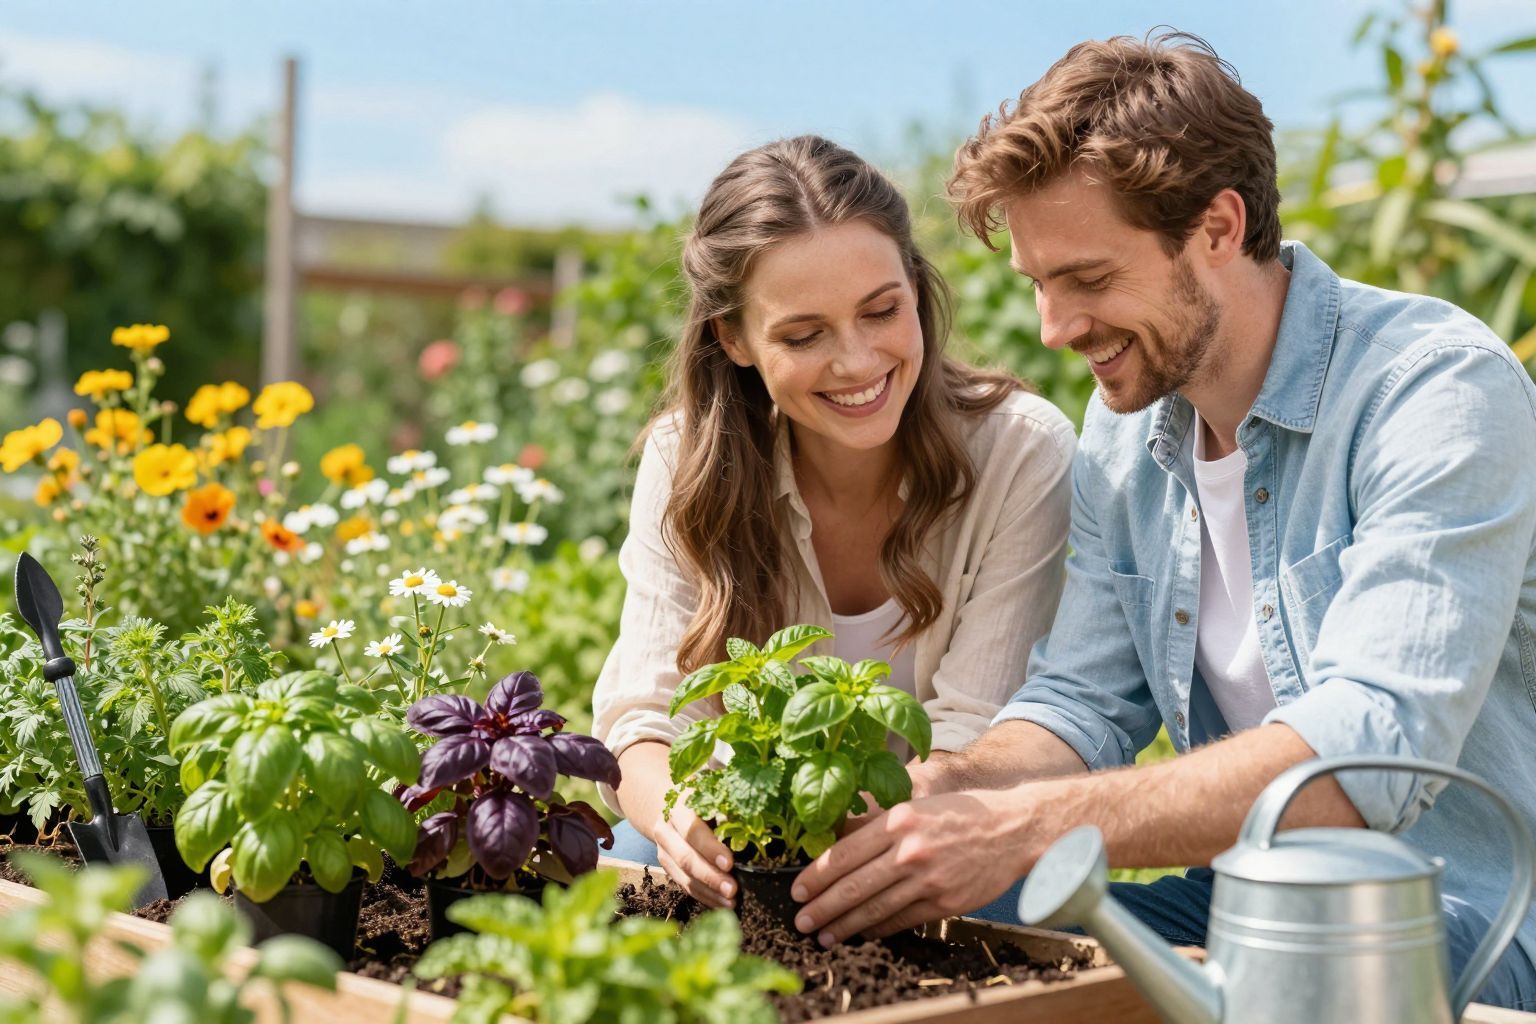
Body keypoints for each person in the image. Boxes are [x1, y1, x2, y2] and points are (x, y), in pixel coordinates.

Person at [788, 34, 1536, 1010]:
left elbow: (1367, 755)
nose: (1055, 328)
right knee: (957, 916)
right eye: (1038, 285)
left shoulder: (1432, 388)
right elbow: (1083, 704)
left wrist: (1028, 826)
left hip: (1463, 914)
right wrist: (954, 788)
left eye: (1088, 279)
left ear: (1218, 227)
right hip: (1255, 899)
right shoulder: (1129, 432)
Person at [591, 135, 1077, 911]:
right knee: (626, 862)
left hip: (933, 834)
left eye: (881, 311)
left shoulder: (1020, 451)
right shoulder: (687, 458)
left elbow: (975, 745)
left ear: (916, 290)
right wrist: (681, 819)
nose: (856, 363)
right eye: (803, 334)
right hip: (747, 838)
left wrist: (825, 842)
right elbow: (644, 719)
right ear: (734, 338)